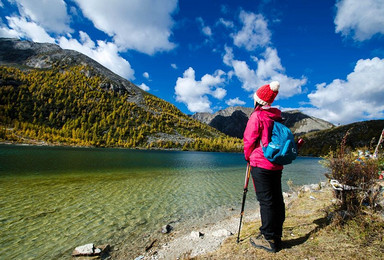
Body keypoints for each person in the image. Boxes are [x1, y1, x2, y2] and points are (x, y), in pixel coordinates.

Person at [243, 81, 284, 253]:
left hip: (260, 163)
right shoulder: (277, 117)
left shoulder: (257, 116)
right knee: (276, 199)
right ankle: (276, 234)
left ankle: (269, 238)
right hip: (276, 164)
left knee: (265, 201)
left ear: (258, 100)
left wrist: (248, 157)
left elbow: (249, 140)